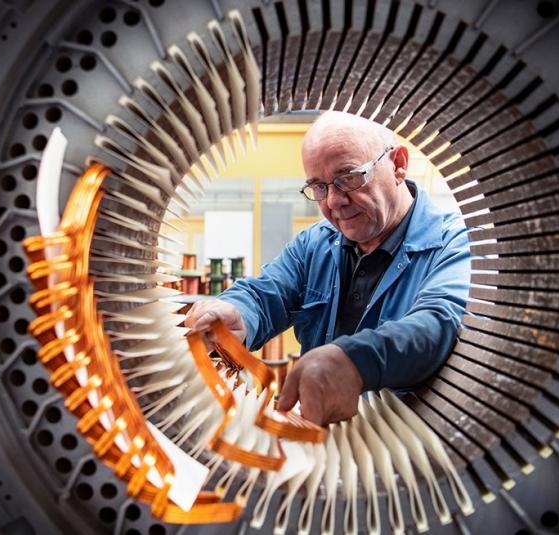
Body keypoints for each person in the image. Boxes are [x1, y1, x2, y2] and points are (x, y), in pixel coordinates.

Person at [184, 111, 470, 426]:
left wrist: (356, 362)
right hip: (318, 441)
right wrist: (237, 313)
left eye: (348, 177)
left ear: (399, 164)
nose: (334, 201)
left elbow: (437, 322)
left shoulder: (451, 244)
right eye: (319, 187)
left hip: (398, 445)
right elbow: (268, 292)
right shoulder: (315, 244)